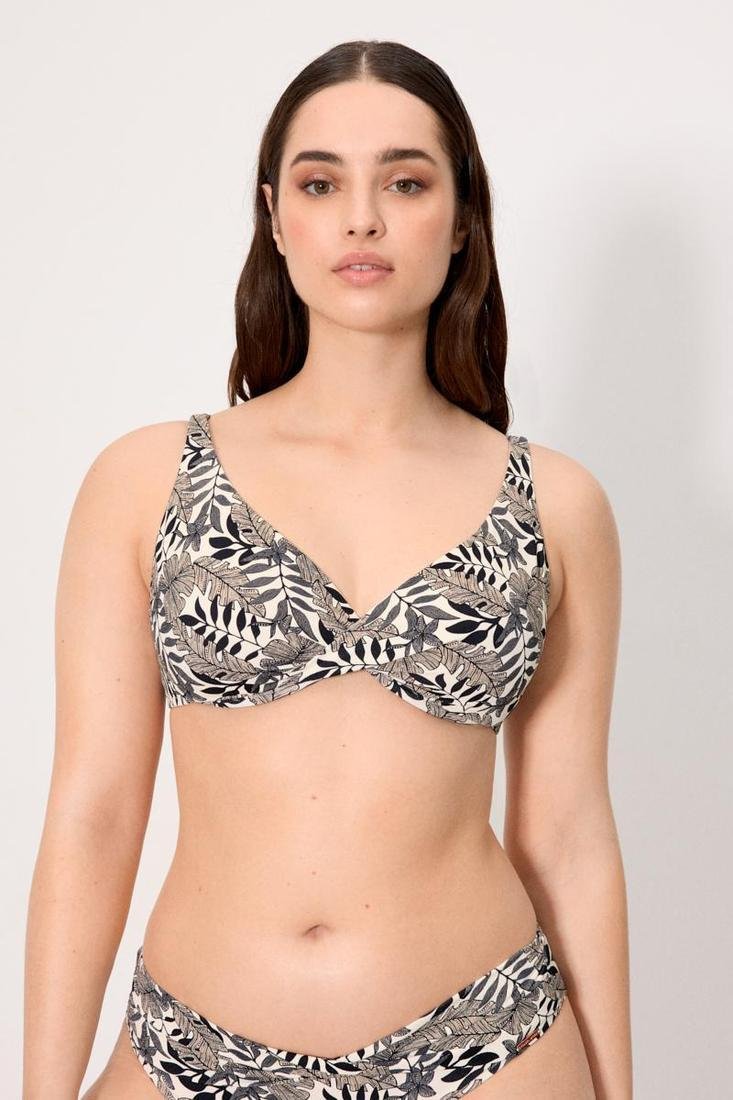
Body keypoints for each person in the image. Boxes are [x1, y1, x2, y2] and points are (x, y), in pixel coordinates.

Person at [24, 39, 631, 1100]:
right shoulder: (145, 480)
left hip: (488, 1046)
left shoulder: (555, 503)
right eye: (319, 183)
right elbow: (94, 813)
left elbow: (569, 834)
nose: (361, 219)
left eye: (405, 182)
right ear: (273, 217)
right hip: (195, 1051)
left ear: (462, 217)